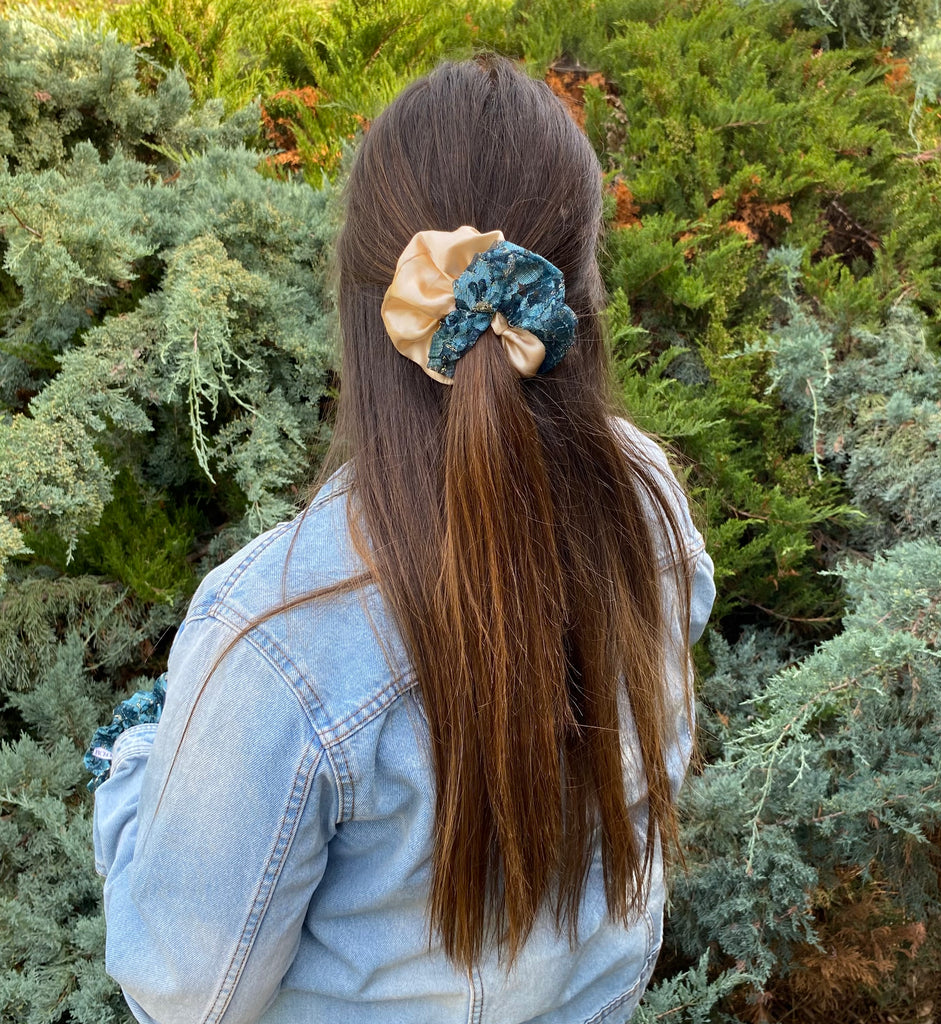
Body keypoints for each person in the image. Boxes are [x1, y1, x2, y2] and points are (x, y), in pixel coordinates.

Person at [90, 55, 716, 1024]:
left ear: (356, 305)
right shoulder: (649, 503)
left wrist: (133, 761)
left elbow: (184, 989)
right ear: (580, 295)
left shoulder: (278, 635)